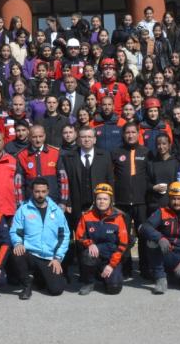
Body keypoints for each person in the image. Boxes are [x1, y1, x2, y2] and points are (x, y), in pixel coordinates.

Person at [140, 181, 180, 294]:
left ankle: (179, 274)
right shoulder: (162, 211)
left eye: (179, 199)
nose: (176, 202)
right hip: (166, 253)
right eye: (173, 199)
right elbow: (144, 227)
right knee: (151, 241)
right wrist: (159, 238)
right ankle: (161, 278)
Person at [9, 177, 70, 299]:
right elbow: (15, 231)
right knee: (16, 253)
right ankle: (27, 285)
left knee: (56, 290)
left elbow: (65, 236)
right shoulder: (24, 210)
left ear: (48, 191)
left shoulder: (56, 210)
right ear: (32, 191)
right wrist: (18, 243)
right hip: (30, 254)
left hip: (49, 256)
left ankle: (41, 277)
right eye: (37, 191)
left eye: (43, 191)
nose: (40, 194)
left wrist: (57, 258)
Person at [73, 183, 130, 295]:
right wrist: (89, 244)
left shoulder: (119, 218)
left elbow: (123, 244)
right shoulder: (86, 216)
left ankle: (105, 276)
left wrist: (111, 265)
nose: (102, 201)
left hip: (111, 257)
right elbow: (80, 236)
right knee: (87, 255)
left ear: (110, 201)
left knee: (114, 288)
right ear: (95, 200)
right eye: (99, 198)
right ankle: (89, 282)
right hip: (94, 254)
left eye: (105, 199)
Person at [111, 122, 151, 278]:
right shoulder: (115, 152)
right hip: (122, 202)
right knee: (123, 237)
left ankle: (145, 269)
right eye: (127, 132)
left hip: (141, 201)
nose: (130, 135)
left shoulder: (147, 152)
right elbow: (111, 177)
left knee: (144, 236)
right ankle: (126, 269)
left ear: (138, 133)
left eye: (133, 132)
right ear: (123, 134)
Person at [60, 126, 114, 234]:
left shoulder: (105, 155)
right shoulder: (68, 157)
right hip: (76, 204)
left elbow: (110, 180)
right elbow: (65, 182)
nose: (86, 139)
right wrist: (68, 202)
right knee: (80, 235)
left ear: (95, 139)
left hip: (99, 203)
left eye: (89, 137)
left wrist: (111, 201)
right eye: (83, 137)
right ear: (78, 139)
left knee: (98, 235)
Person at [14, 124, 68, 206]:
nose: (38, 140)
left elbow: (63, 179)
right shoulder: (22, 155)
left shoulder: (55, 153)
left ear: (45, 136)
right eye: (34, 137)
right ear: (29, 137)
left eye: (40, 136)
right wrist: (20, 204)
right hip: (30, 203)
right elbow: (18, 183)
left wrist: (63, 202)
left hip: (53, 201)